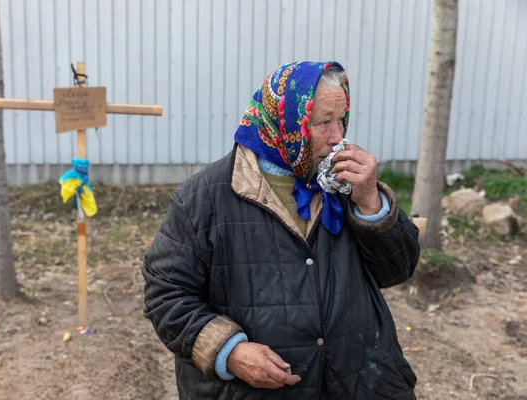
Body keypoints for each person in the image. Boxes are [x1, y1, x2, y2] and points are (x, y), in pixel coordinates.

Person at [142, 61, 420, 399]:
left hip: (358, 383)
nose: (338, 137)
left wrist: (372, 204)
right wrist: (230, 352)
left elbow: (397, 270)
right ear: (283, 123)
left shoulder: (345, 182)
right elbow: (166, 295)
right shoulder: (204, 200)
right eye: (323, 123)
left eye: (341, 120)